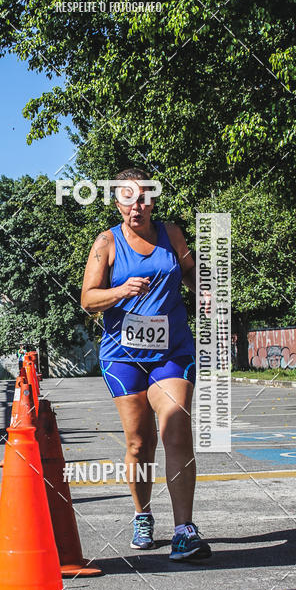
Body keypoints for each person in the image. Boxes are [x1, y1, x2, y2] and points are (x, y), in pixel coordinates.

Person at [81, 167, 211, 562]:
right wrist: (120, 291)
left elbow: (192, 274)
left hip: (172, 351)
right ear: (117, 202)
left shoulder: (172, 236)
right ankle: (142, 514)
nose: (135, 205)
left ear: (153, 200)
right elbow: (88, 298)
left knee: (176, 427)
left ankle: (184, 529)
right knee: (139, 442)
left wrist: (204, 290)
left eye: (142, 197)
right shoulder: (107, 242)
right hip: (123, 356)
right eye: (127, 197)